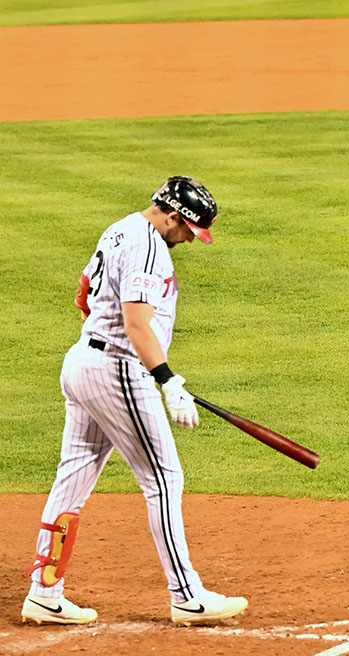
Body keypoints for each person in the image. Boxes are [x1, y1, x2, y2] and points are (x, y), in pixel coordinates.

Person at [21, 176, 249, 627]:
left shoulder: (120, 228)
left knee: (71, 481)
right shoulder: (149, 247)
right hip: (117, 369)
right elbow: (137, 323)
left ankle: (43, 593)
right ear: (170, 215)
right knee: (163, 479)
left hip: (83, 362)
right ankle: (186, 595)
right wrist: (168, 381)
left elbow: (83, 293)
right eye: (188, 229)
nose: (189, 239)